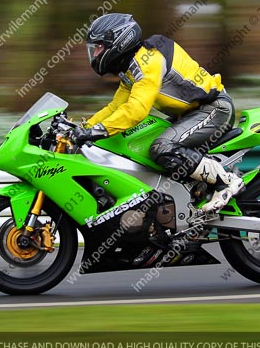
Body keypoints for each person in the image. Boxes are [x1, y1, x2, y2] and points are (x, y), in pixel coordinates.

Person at [75, 13, 244, 213]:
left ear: (119, 40)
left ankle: (225, 182)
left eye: (99, 48)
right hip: (191, 114)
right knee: (145, 146)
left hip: (214, 109)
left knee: (161, 147)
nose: (95, 55)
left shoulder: (148, 62)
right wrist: (82, 128)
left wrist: (98, 131)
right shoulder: (132, 69)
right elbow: (115, 108)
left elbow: (136, 110)